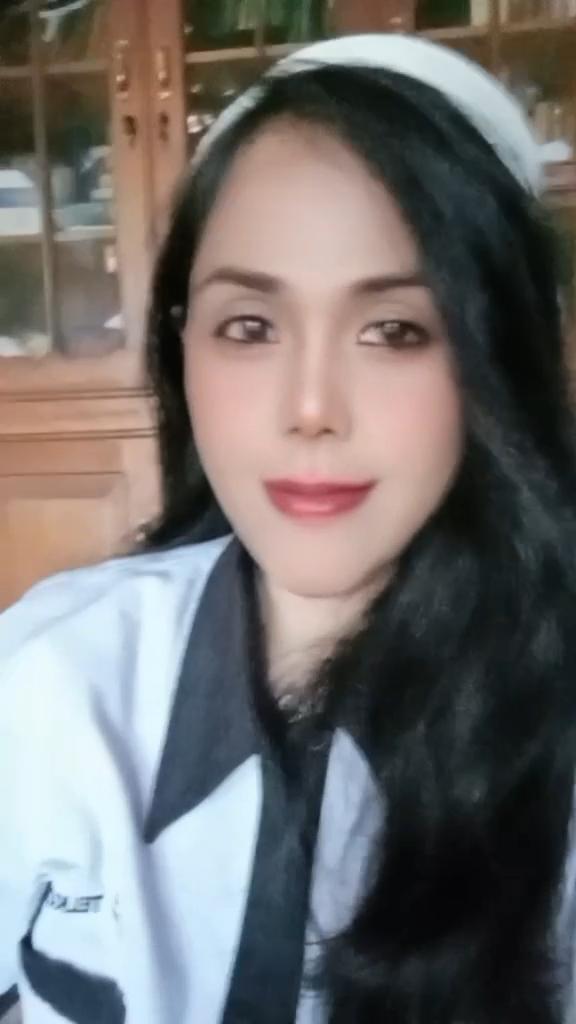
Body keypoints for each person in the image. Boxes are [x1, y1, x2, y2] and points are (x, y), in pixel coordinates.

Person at [1, 32, 576, 1024]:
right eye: (250, 327)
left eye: (394, 330)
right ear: (182, 347)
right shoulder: (54, 680)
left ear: (495, 359)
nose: (310, 408)